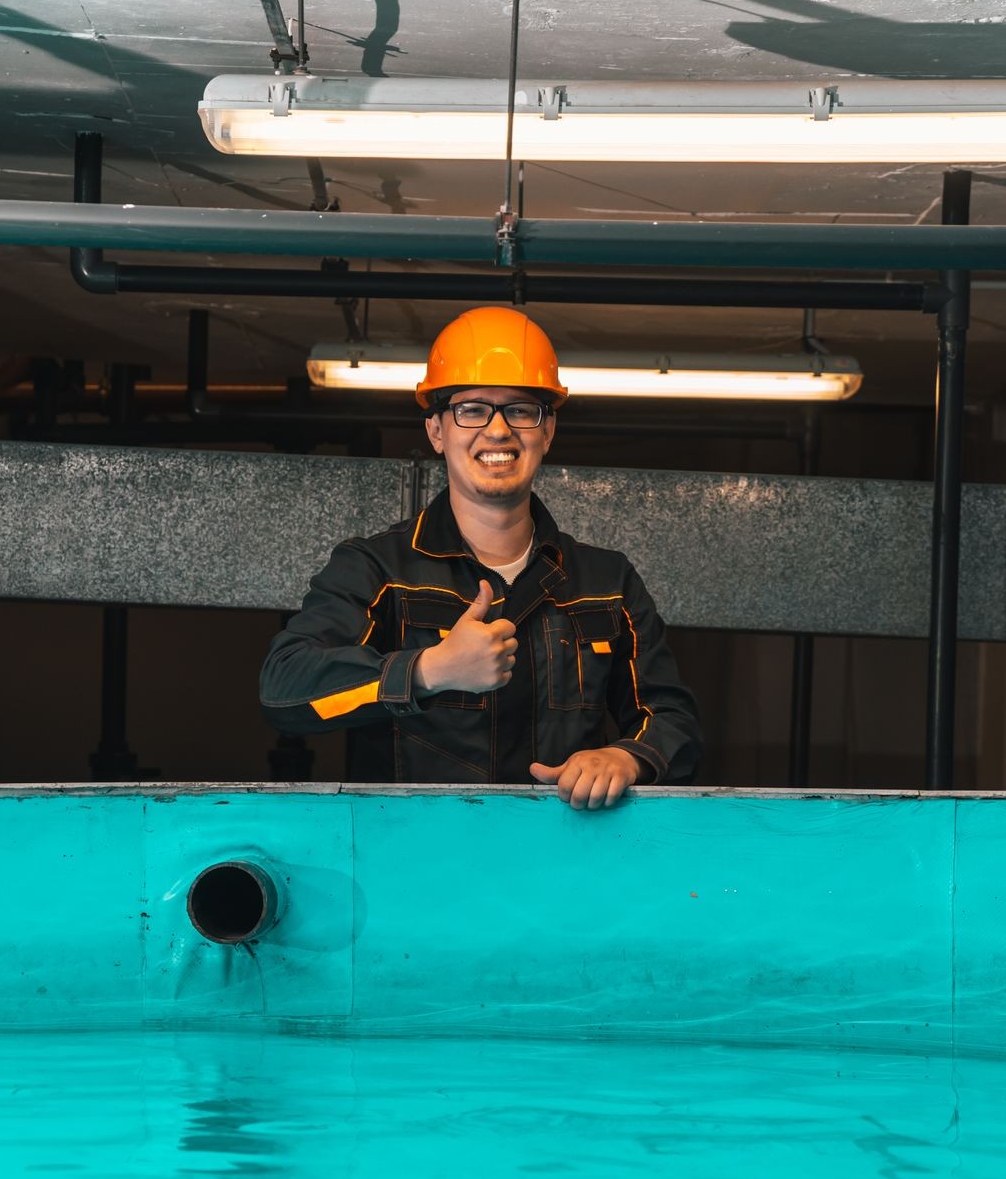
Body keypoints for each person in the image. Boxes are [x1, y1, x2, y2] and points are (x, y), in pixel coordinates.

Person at [259, 307, 702, 809]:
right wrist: (429, 671)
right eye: (471, 408)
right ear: (436, 431)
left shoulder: (608, 581)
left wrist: (627, 756)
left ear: (547, 430)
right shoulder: (377, 570)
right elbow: (285, 689)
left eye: (521, 409)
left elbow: (672, 718)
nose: (497, 430)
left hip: (564, 864)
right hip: (416, 864)